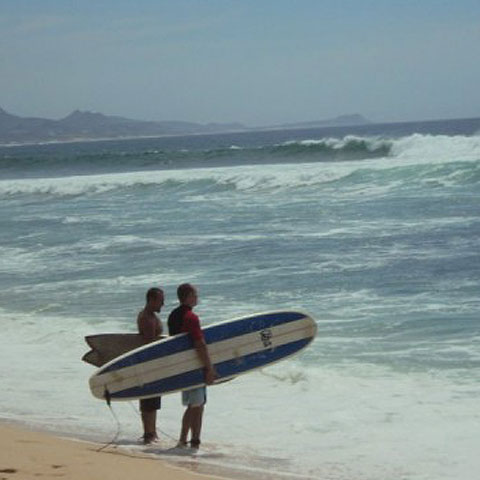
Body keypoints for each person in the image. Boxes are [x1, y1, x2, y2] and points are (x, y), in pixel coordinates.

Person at [168, 283, 216, 449]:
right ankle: (185, 440)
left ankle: (193, 440)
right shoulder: (191, 317)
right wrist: (209, 368)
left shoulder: (173, 315)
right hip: (194, 366)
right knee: (196, 404)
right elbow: (199, 344)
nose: (197, 298)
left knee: (196, 404)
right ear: (188, 296)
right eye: (195, 295)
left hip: (182, 366)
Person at [137, 287, 164, 444]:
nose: (163, 304)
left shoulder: (150, 315)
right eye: (161, 301)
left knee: (152, 400)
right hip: (148, 364)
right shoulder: (147, 318)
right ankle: (149, 434)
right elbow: (149, 344)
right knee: (149, 400)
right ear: (152, 300)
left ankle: (151, 432)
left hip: (150, 364)